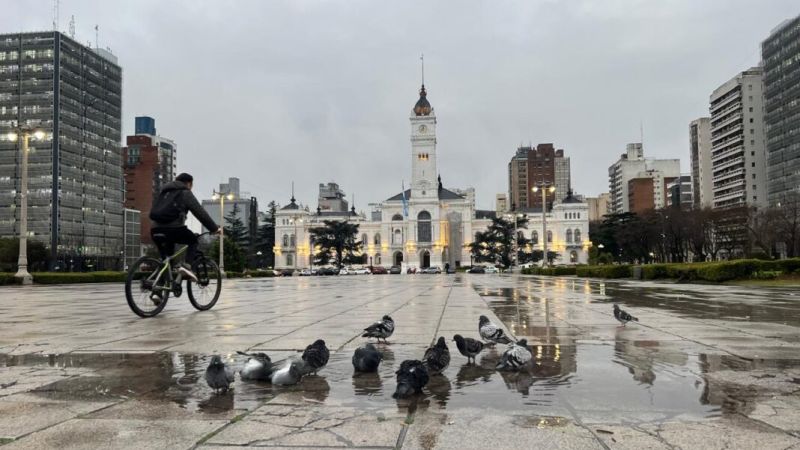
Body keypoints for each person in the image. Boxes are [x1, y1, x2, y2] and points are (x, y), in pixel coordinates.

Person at [150, 173, 221, 282]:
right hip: (174, 229)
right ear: (189, 183)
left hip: (155, 230)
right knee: (193, 240)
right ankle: (187, 267)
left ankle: (158, 292)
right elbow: (200, 213)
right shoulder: (185, 192)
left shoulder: (164, 192)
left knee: (167, 261)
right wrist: (214, 228)